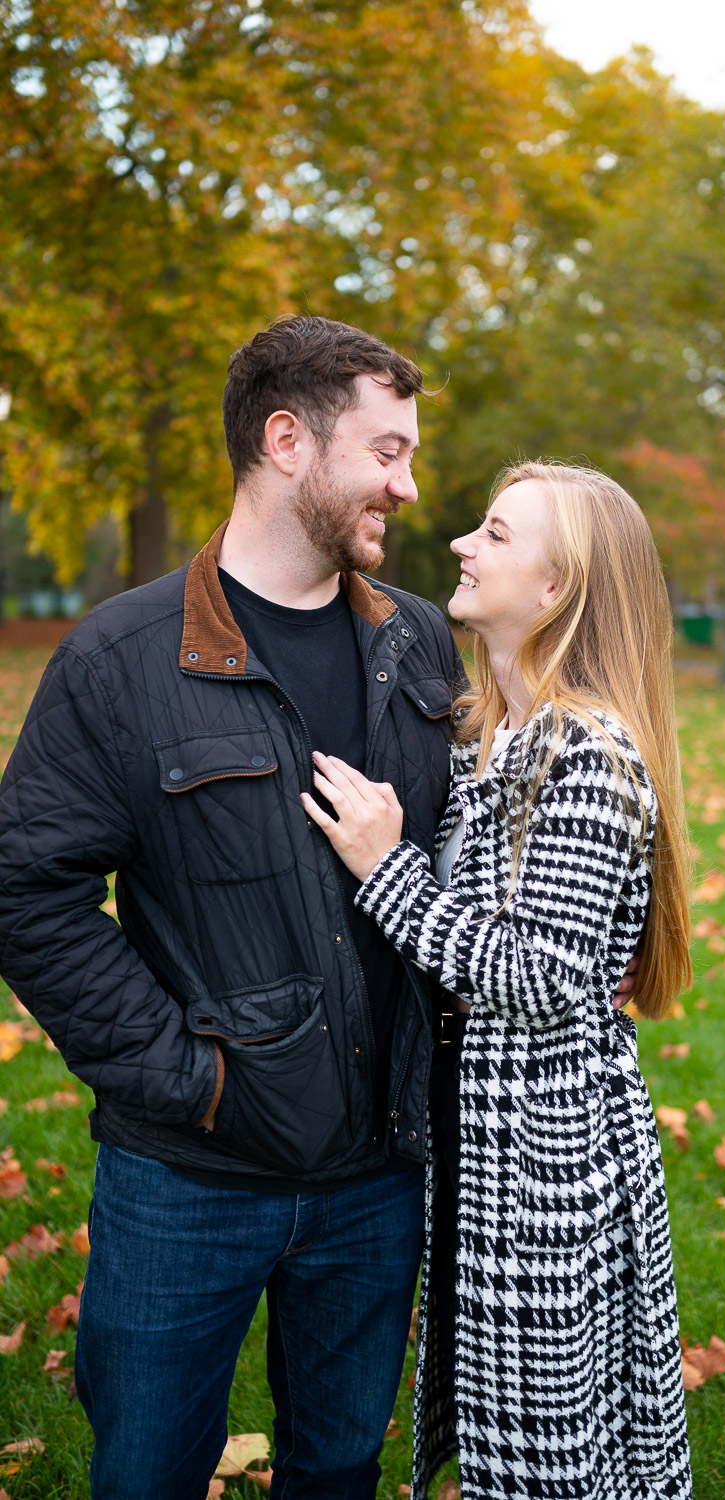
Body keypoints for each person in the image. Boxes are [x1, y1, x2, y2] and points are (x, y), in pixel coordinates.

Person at [0, 316, 466, 1500]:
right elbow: (28, 886)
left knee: (340, 1466)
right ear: (285, 440)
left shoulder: (418, 646)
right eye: (386, 451)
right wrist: (185, 1078)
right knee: (148, 1471)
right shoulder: (121, 655)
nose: (407, 486)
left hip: (378, 1174)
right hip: (187, 1181)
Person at [303, 461, 695, 1500]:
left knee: (551, 1463)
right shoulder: (487, 734)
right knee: (499, 1449)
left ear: (556, 588)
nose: (462, 548)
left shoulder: (586, 753)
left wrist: (385, 868)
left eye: (494, 533)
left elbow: (543, 976)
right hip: (479, 1144)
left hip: (545, 1162)